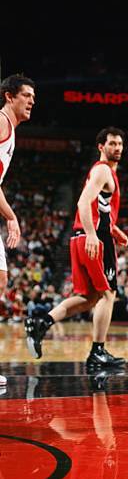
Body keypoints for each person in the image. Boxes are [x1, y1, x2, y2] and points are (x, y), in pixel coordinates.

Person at [25, 127, 128, 370]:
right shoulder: (103, 170)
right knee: (108, 294)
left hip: (80, 237)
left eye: (120, 144)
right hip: (93, 239)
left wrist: (114, 229)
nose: (117, 148)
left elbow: (100, 210)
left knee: (88, 298)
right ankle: (98, 352)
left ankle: (42, 323)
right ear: (101, 147)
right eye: (112, 143)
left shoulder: (105, 173)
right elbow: (84, 201)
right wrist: (94, 235)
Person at [0, 73, 36, 390]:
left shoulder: (10, 130)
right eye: (26, 95)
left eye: (33, 98)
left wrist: (10, 216)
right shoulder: (1, 122)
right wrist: (11, 216)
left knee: (0, 280)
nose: (31, 102)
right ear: (9, 96)